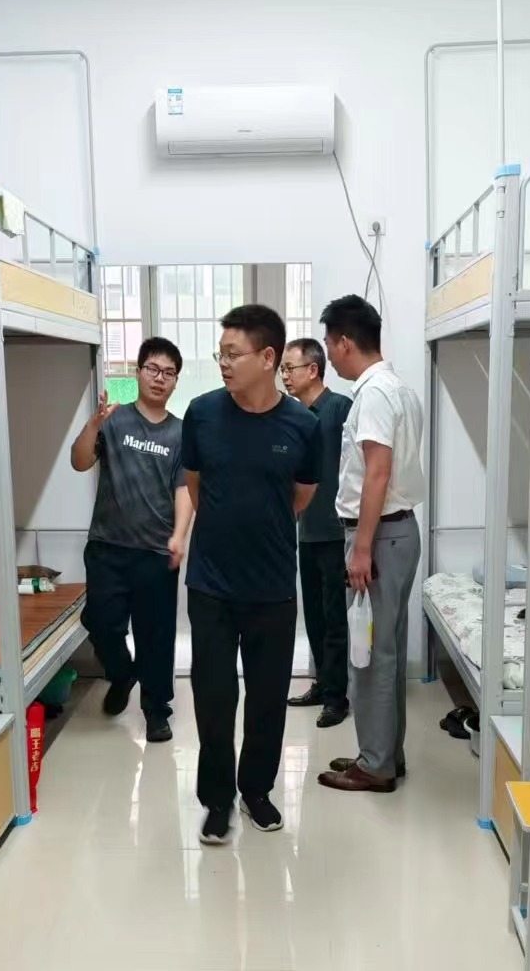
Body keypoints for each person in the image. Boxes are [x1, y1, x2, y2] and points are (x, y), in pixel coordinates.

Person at [182, 305, 322, 843]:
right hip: (211, 586)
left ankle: (256, 791)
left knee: (267, 698)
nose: (222, 362)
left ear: (267, 358)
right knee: (214, 699)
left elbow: (301, 496)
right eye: (220, 353)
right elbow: (196, 485)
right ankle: (217, 800)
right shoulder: (201, 413)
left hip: (272, 587)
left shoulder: (303, 425)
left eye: (232, 353)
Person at [315, 295, 424, 793]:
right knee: (385, 652)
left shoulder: (375, 393)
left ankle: (376, 765)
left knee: (369, 653)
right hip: (396, 532)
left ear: (344, 342)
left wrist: (360, 549)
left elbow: (377, 473)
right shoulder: (397, 388)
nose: (328, 355)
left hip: (378, 537)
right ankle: (384, 755)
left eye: (328, 344)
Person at [71, 337, 193, 744]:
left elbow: (184, 489)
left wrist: (179, 536)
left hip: (155, 552)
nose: (160, 378)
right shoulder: (115, 419)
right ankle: (122, 674)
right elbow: (79, 461)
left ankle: (156, 710)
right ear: (138, 372)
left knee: (156, 636)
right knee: (100, 623)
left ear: (175, 381)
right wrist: (93, 424)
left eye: (169, 373)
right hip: (107, 547)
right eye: (153, 369)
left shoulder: (180, 432)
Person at [281, 338, 353, 728]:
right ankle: (323, 684)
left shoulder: (341, 408)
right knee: (313, 617)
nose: (284, 376)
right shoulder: (293, 414)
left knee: (334, 617)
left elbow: (358, 468)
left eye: (289, 368)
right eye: (283, 369)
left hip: (336, 532)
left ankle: (337, 698)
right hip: (305, 530)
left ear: (313, 370)